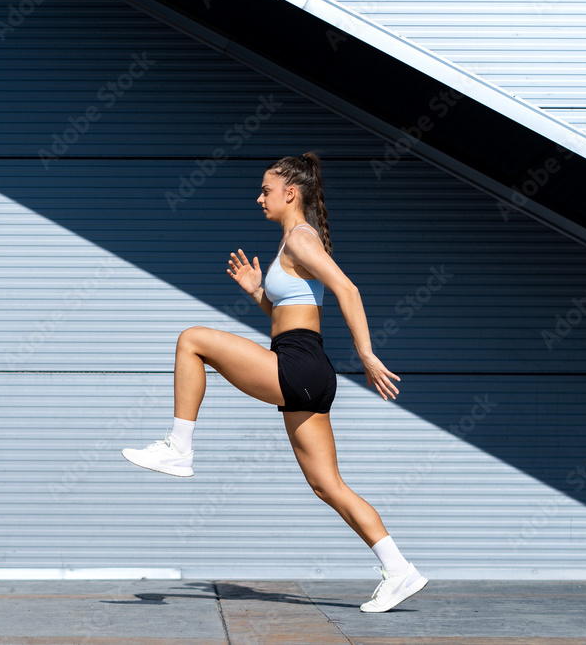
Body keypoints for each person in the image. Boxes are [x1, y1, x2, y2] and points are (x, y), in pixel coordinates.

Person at [121, 151, 428, 613]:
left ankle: (179, 446)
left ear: (291, 193)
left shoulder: (301, 240)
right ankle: (400, 569)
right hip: (307, 367)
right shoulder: (296, 243)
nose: (259, 197)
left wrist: (366, 354)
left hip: (300, 364)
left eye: (266, 190)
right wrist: (258, 294)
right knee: (328, 486)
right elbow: (291, 316)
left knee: (192, 340)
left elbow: (348, 289)